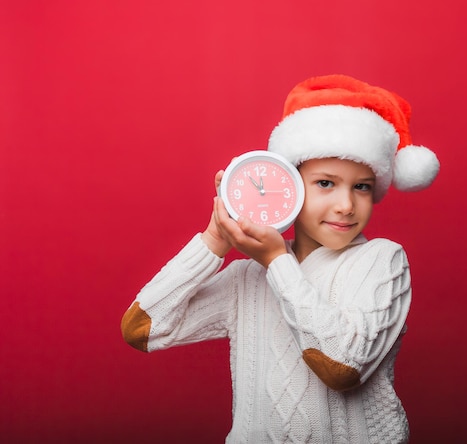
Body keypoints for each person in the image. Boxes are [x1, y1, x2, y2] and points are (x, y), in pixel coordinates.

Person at [121, 74, 440, 443]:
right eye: (325, 183)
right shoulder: (248, 277)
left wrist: (276, 262)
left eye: (362, 187)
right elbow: (144, 329)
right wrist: (214, 240)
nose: (346, 205)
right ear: (288, 186)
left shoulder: (381, 261)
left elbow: (342, 367)